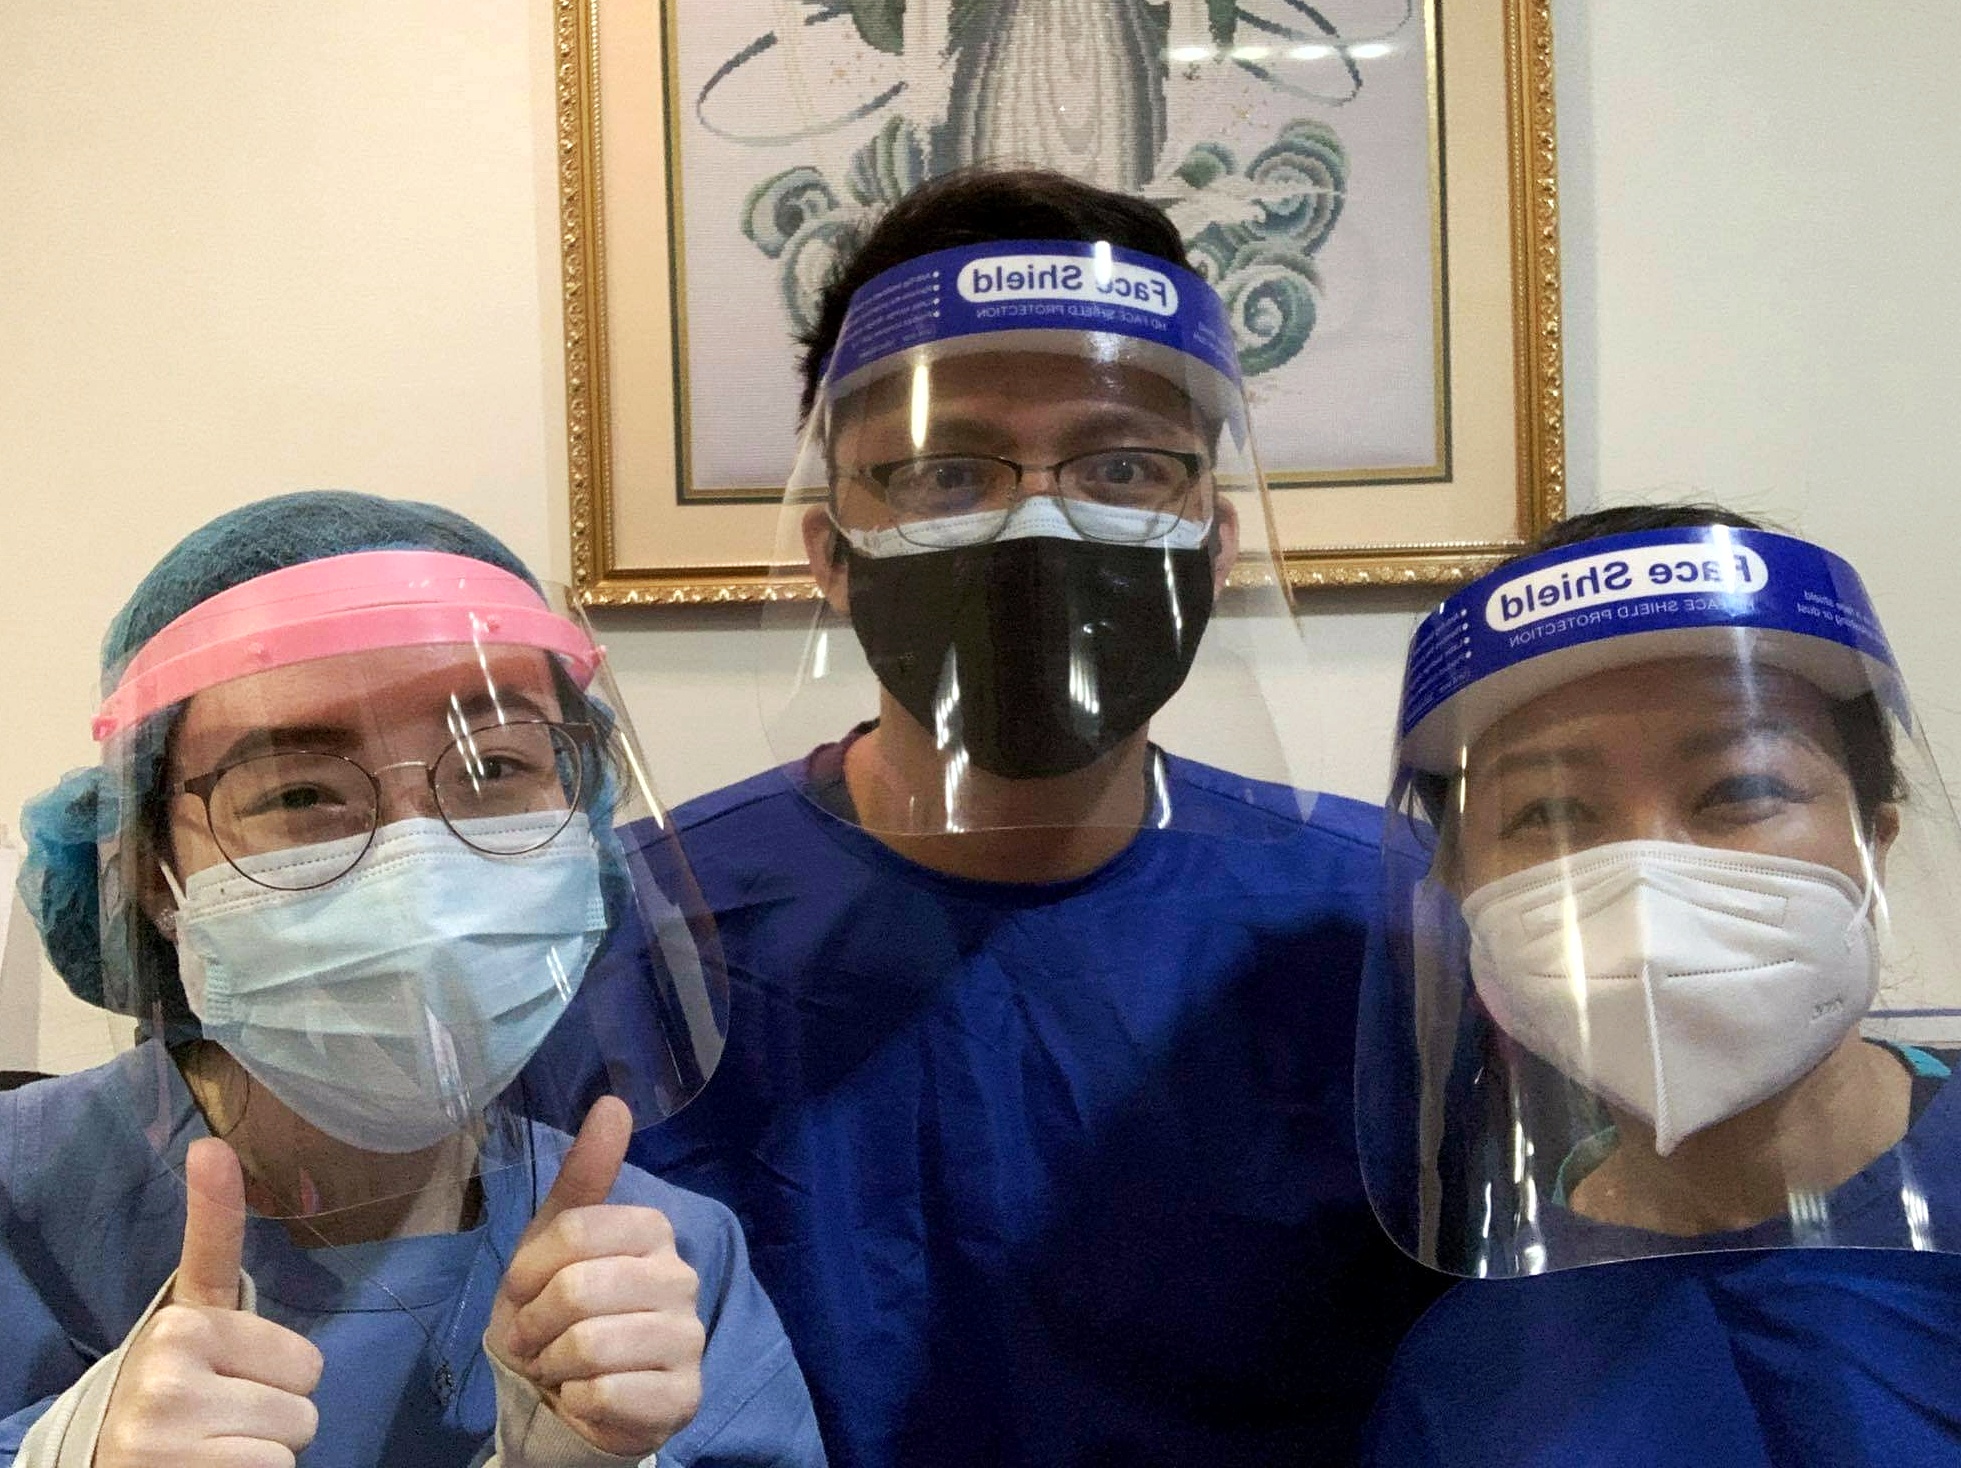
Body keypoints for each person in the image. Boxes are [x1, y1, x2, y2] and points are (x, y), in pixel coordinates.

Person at [542, 169, 1445, 1467]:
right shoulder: (637, 940)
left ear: (1217, 545)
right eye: (946, 470)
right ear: (828, 553)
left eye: (1122, 466)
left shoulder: (1380, 921)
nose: (1036, 524)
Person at [3, 492, 825, 1468]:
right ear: (151, 873)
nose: (420, 881)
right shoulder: (22, 1205)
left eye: (496, 768)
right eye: (299, 792)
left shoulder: (663, 1267)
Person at [1356, 505, 1961, 1464]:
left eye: (1741, 789)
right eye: (1547, 812)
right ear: (1463, 887)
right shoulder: (1466, 1380)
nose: (1645, 886)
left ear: (1873, 844)